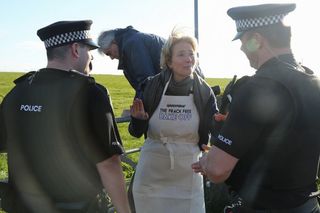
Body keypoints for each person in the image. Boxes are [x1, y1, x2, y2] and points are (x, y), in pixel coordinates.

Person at [192, 3, 320, 212]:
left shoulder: (258, 86)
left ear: (256, 40)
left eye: (243, 41)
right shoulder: (312, 80)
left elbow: (217, 170)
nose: (242, 48)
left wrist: (207, 161)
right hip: (308, 205)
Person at [0, 20, 131, 213]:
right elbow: (109, 164)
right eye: (90, 52)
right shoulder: (90, 93)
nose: (91, 60)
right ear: (76, 49)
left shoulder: (17, 92)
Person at [128, 27, 218, 213]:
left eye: (192, 54)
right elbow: (135, 132)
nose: (188, 59)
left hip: (188, 170)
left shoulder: (204, 91)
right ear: (169, 61)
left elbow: (214, 129)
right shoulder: (152, 86)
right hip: (153, 170)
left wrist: (212, 154)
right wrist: (139, 121)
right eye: (182, 54)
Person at [97, 26, 205, 100]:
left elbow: (147, 81)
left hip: (188, 89)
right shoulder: (133, 41)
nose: (111, 58)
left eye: (109, 53)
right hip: (186, 87)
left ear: (114, 42)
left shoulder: (132, 44)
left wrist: (137, 107)